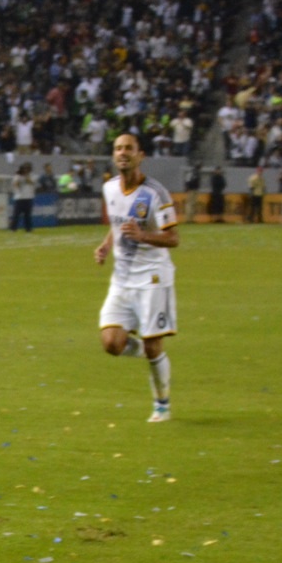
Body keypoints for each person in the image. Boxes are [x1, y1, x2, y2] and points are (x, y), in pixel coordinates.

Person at [94, 133, 180, 424]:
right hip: (122, 279)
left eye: (128, 148)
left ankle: (162, 405)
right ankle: (149, 352)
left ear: (140, 155)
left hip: (152, 278)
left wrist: (143, 236)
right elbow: (120, 223)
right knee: (111, 343)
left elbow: (173, 238)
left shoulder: (156, 193)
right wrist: (107, 244)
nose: (122, 153)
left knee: (155, 344)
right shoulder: (109, 188)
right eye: (118, 148)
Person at [10, 162, 36, 232]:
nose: (26, 170)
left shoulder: (32, 175)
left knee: (28, 215)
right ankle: (13, 228)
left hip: (29, 197)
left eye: (27, 169)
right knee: (16, 214)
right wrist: (19, 178)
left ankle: (28, 228)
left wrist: (26, 176)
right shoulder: (17, 175)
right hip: (19, 197)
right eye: (25, 168)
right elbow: (15, 184)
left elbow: (31, 182)